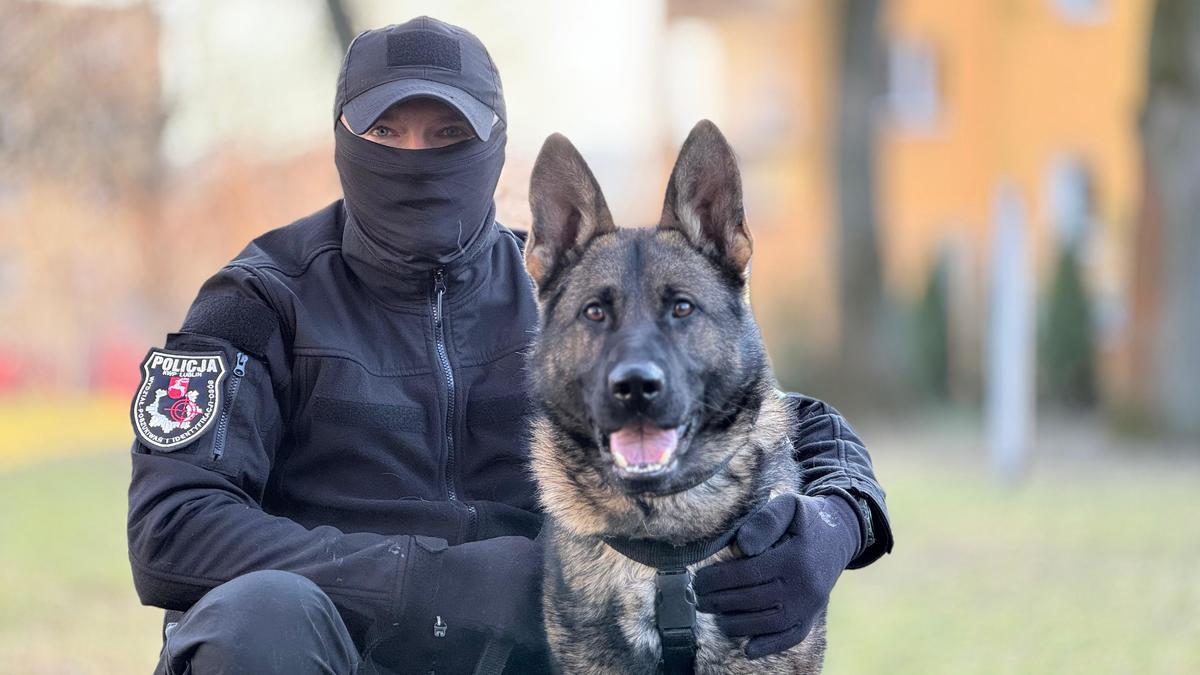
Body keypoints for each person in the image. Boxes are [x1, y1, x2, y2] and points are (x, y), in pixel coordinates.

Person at [127, 16, 893, 675]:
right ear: (342, 138)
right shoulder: (260, 299)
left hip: (521, 655)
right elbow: (173, 528)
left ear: (495, 145)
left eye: (448, 133)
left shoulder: (573, 295)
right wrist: (428, 581)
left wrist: (836, 522)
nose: (416, 155)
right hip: (330, 647)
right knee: (258, 618)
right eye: (386, 131)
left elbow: (778, 412)